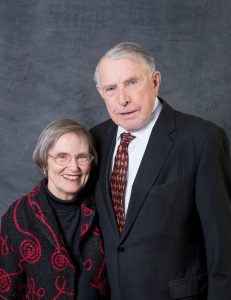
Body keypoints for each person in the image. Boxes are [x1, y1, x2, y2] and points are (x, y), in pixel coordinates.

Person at [90, 42, 231, 300]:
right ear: (101, 92)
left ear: (155, 81)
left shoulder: (202, 139)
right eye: (111, 88)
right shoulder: (95, 140)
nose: (123, 99)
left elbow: (223, 247)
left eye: (132, 82)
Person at [0, 119, 108, 299]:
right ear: (44, 163)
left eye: (81, 157)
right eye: (62, 156)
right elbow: (6, 291)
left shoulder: (103, 208)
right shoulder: (18, 217)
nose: (73, 167)